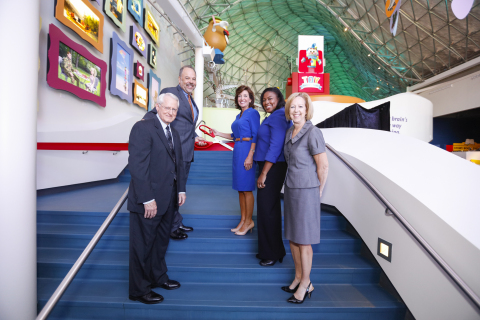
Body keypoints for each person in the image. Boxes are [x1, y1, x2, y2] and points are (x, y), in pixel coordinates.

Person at [127, 93, 187, 304]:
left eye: (174, 110)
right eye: (167, 108)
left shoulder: (174, 132)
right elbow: (138, 166)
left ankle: (158, 277)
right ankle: (139, 289)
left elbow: (178, 164)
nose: (171, 112)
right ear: (157, 106)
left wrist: (180, 190)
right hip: (148, 201)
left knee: (160, 243)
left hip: (168, 198)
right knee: (142, 246)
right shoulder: (143, 127)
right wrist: (146, 199)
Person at [143, 66, 205, 240]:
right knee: (171, 192)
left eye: (193, 78)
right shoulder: (171, 92)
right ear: (179, 79)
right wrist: (143, 124)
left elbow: (186, 125)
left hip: (186, 152)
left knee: (178, 191)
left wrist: (195, 136)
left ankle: (176, 221)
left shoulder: (191, 100)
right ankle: (170, 227)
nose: (191, 81)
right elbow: (156, 112)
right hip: (171, 152)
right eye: (187, 78)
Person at [281, 92, 329, 304]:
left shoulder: (313, 132)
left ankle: (306, 283)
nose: (296, 110)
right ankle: (298, 276)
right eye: (293, 107)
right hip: (291, 189)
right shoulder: (290, 131)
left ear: (307, 109)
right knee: (293, 237)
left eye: (300, 107)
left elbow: (323, 165)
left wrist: (318, 190)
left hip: (307, 191)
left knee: (305, 241)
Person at [212, 86, 260, 235]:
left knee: (247, 189)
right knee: (240, 189)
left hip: (247, 149)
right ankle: (243, 220)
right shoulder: (239, 115)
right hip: (238, 149)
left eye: (245, 96)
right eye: (239, 96)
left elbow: (256, 135)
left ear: (251, 99)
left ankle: (249, 222)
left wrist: (250, 155)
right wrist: (218, 133)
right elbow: (234, 135)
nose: (242, 99)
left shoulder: (252, 113)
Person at [254, 88, 292, 266]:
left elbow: (276, 146)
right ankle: (273, 250)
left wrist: (264, 173)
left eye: (270, 98)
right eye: (263, 99)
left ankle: (271, 253)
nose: (266, 102)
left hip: (272, 167)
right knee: (270, 209)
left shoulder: (278, 116)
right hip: (271, 166)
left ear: (279, 99)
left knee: (266, 210)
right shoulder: (275, 115)